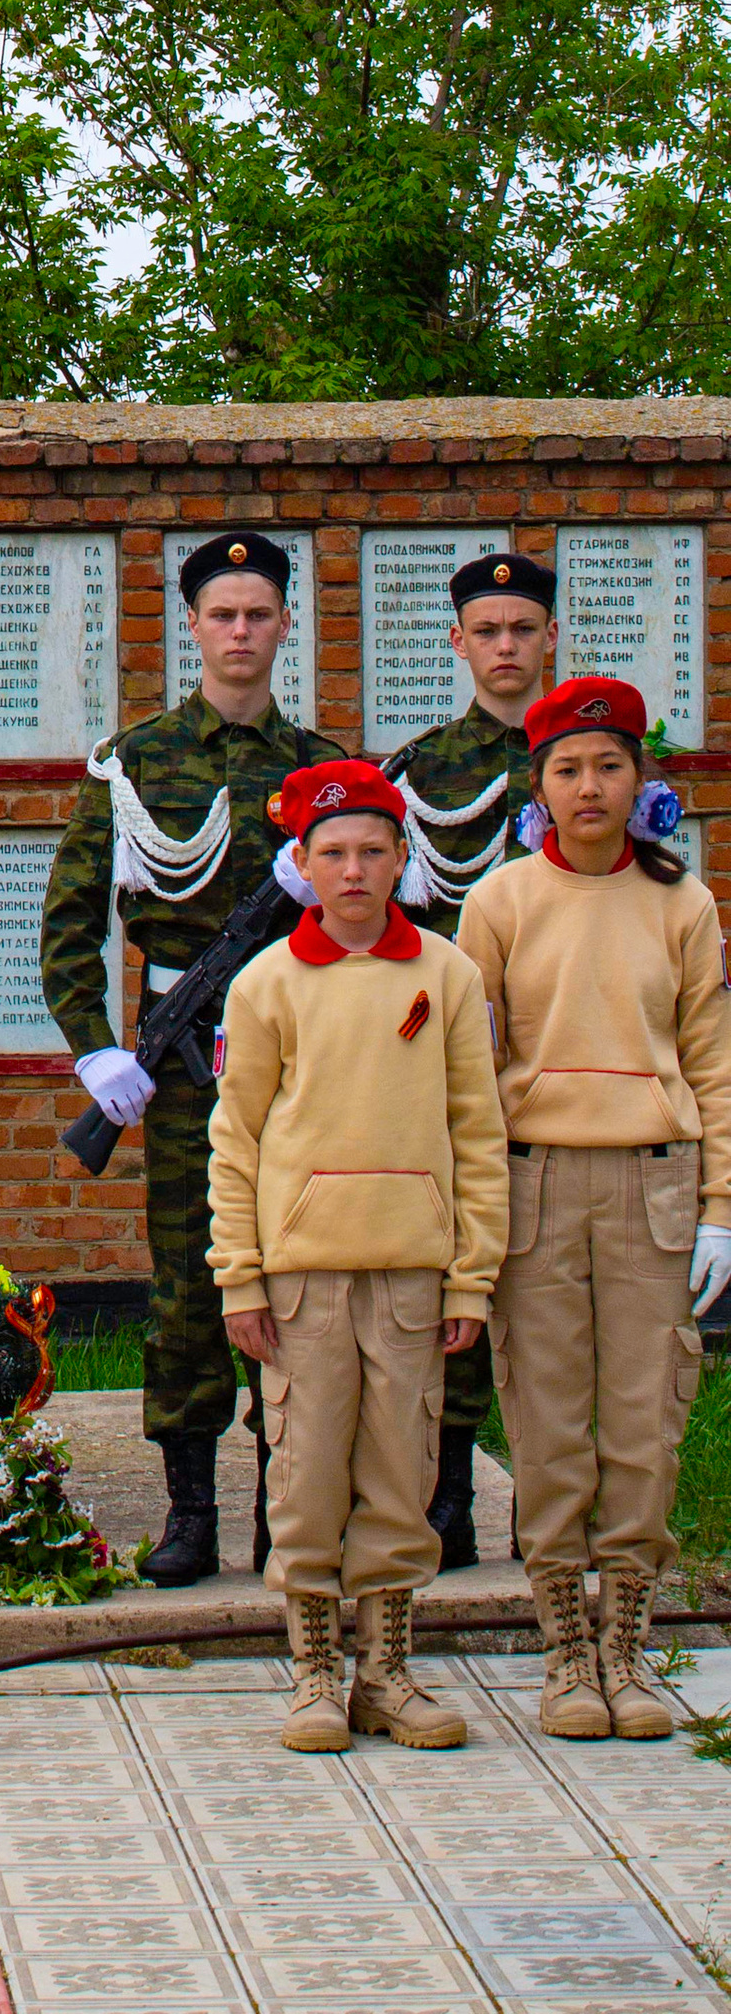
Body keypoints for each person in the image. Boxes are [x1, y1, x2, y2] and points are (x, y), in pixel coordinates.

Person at [210, 757, 508, 1755]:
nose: (352, 871)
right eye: (330, 853)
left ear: (398, 858)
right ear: (301, 863)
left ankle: (385, 1669)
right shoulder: (266, 984)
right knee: (303, 1471)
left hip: (412, 1270)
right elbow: (235, 1141)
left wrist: (470, 1272)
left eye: (371, 851)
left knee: (398, 1469)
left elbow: (477, 1132)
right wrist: (240, 1276)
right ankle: (310, 1671)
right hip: (302, 1274)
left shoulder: (445, 973)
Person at [41, 529, 319, 1583]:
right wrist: (95, 1053)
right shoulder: (137, 761)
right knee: (191, 1280)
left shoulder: (320, 769)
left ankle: (289, 1503)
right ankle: (192, 1511)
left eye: (258, 613)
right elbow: (68, 921)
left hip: (301, 1058)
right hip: (181, 1062)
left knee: (299, 1269)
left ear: (285, 625)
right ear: (191, 626)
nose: (240, 631)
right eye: (222, 614)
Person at [458, 675, 731, 1740]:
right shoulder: (501, 903)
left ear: (636, 780)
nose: (588, 786)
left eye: (608, 766)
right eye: (566, 769)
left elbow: (711, 1063)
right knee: (548, 1419)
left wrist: (719, 1204)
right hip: (534, 1183)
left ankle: (626, 1645)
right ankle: (564, 1649)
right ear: (538, 787)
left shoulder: (681, 904)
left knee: (643, 1421)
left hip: (653, 1186)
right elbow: (473, 1069)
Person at [382, 547, 557, 1571]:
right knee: (451, 1281)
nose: (504, 647)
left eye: (520, 630)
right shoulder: (421, 774)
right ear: (458, 644)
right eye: (485, 632)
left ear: (548, 640)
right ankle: (444, 1499)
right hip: (447, 1070)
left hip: (557, 1067)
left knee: (541, 1295)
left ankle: (549, 1506)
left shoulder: (592, 759)